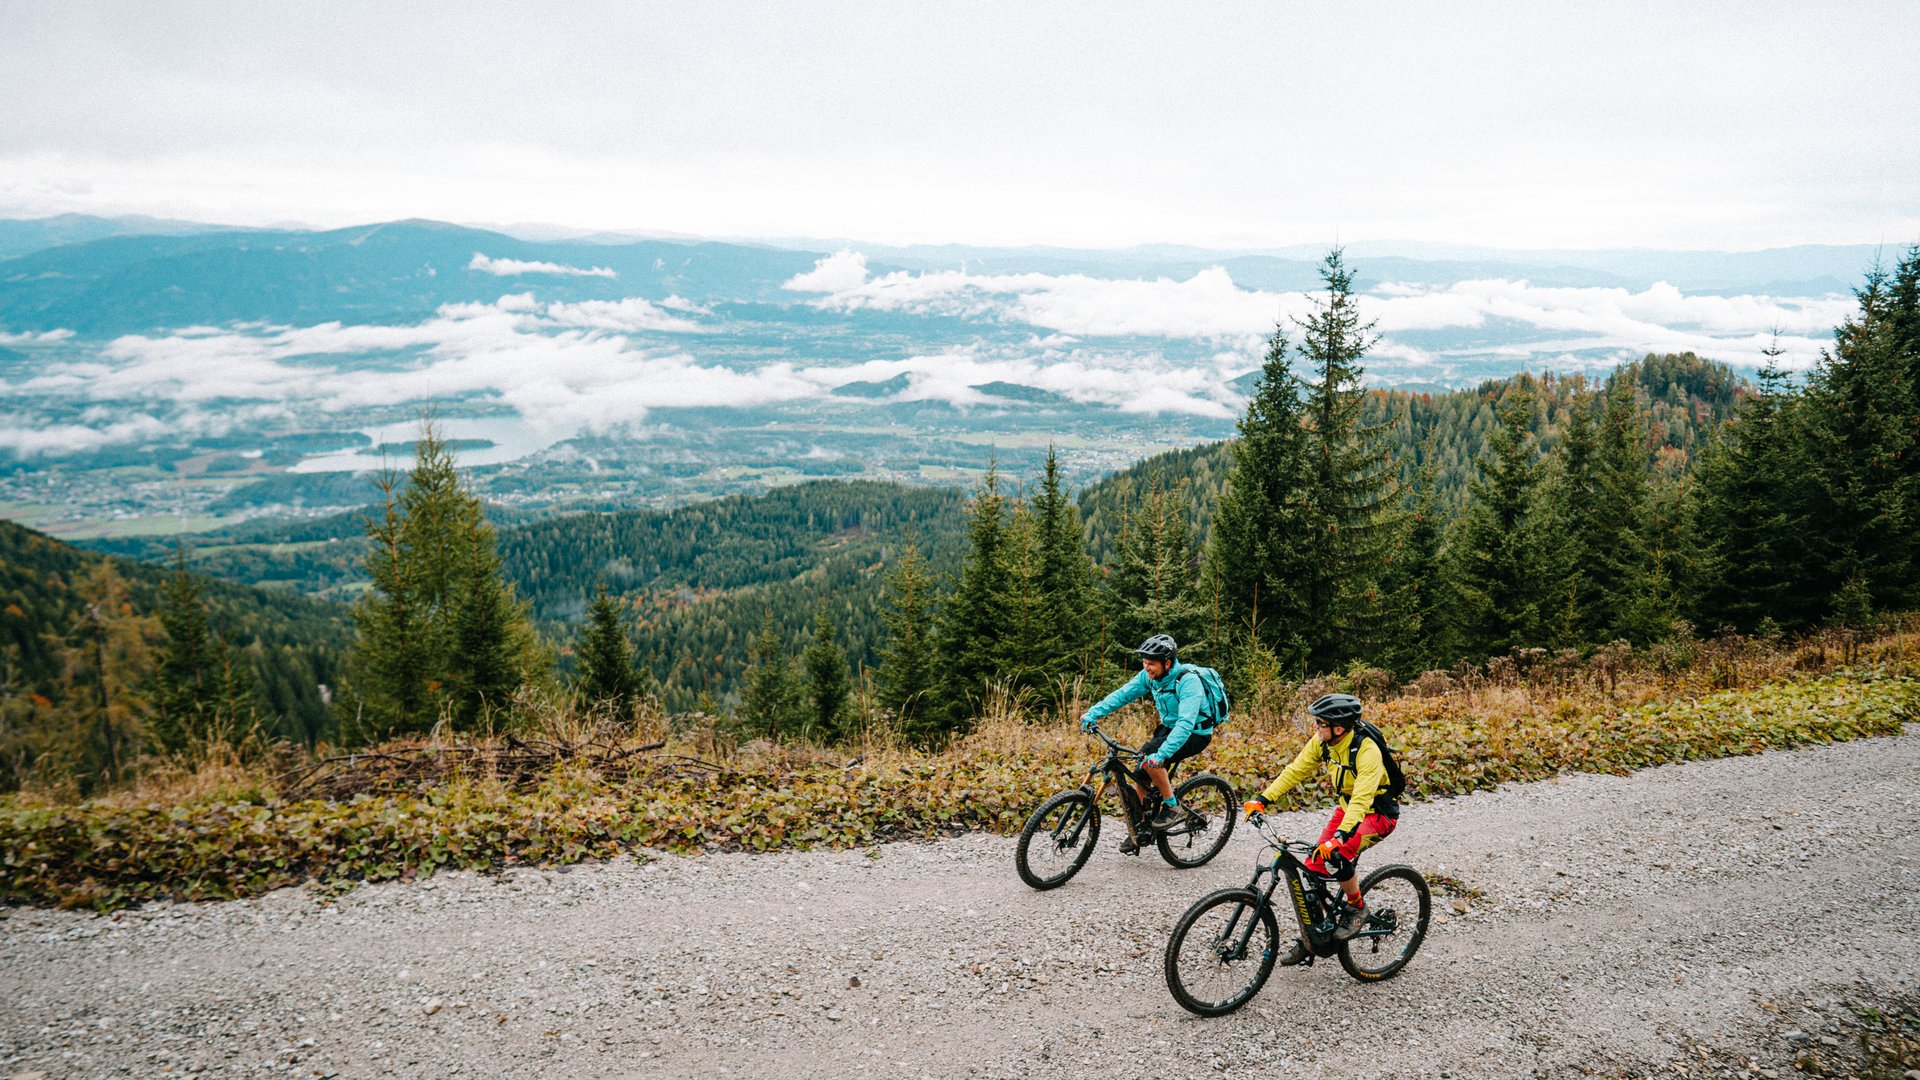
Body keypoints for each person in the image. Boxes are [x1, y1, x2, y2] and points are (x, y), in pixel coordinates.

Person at [1243, 692, 1403, 962]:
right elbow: (1296, 770)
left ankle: (1357, 908)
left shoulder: (1367, 751)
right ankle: (1314, 937)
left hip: (1377, 814)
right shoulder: (1324, 742)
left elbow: (1363, 799)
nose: (1316, 727)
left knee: (1338, 853)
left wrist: (1340, 837)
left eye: (1320, 723)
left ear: (1338, 728)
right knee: (1313, 866)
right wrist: (1262, 799)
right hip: (1347, 807)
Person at [1078, 634, 1226, 854]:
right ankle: (1141, 828)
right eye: (1144, 663)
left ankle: (1171, 804)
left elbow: (1185, 725)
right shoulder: (1151, 676)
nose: (1147, 668)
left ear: (1167, 663)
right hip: (1170, 727)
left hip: (1195, 732)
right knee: (1141, 770)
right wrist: (1093, 713)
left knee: (1151, 759)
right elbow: (1123, 695)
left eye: (1151, 664)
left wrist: (1161, 754)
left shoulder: (1188, 682)